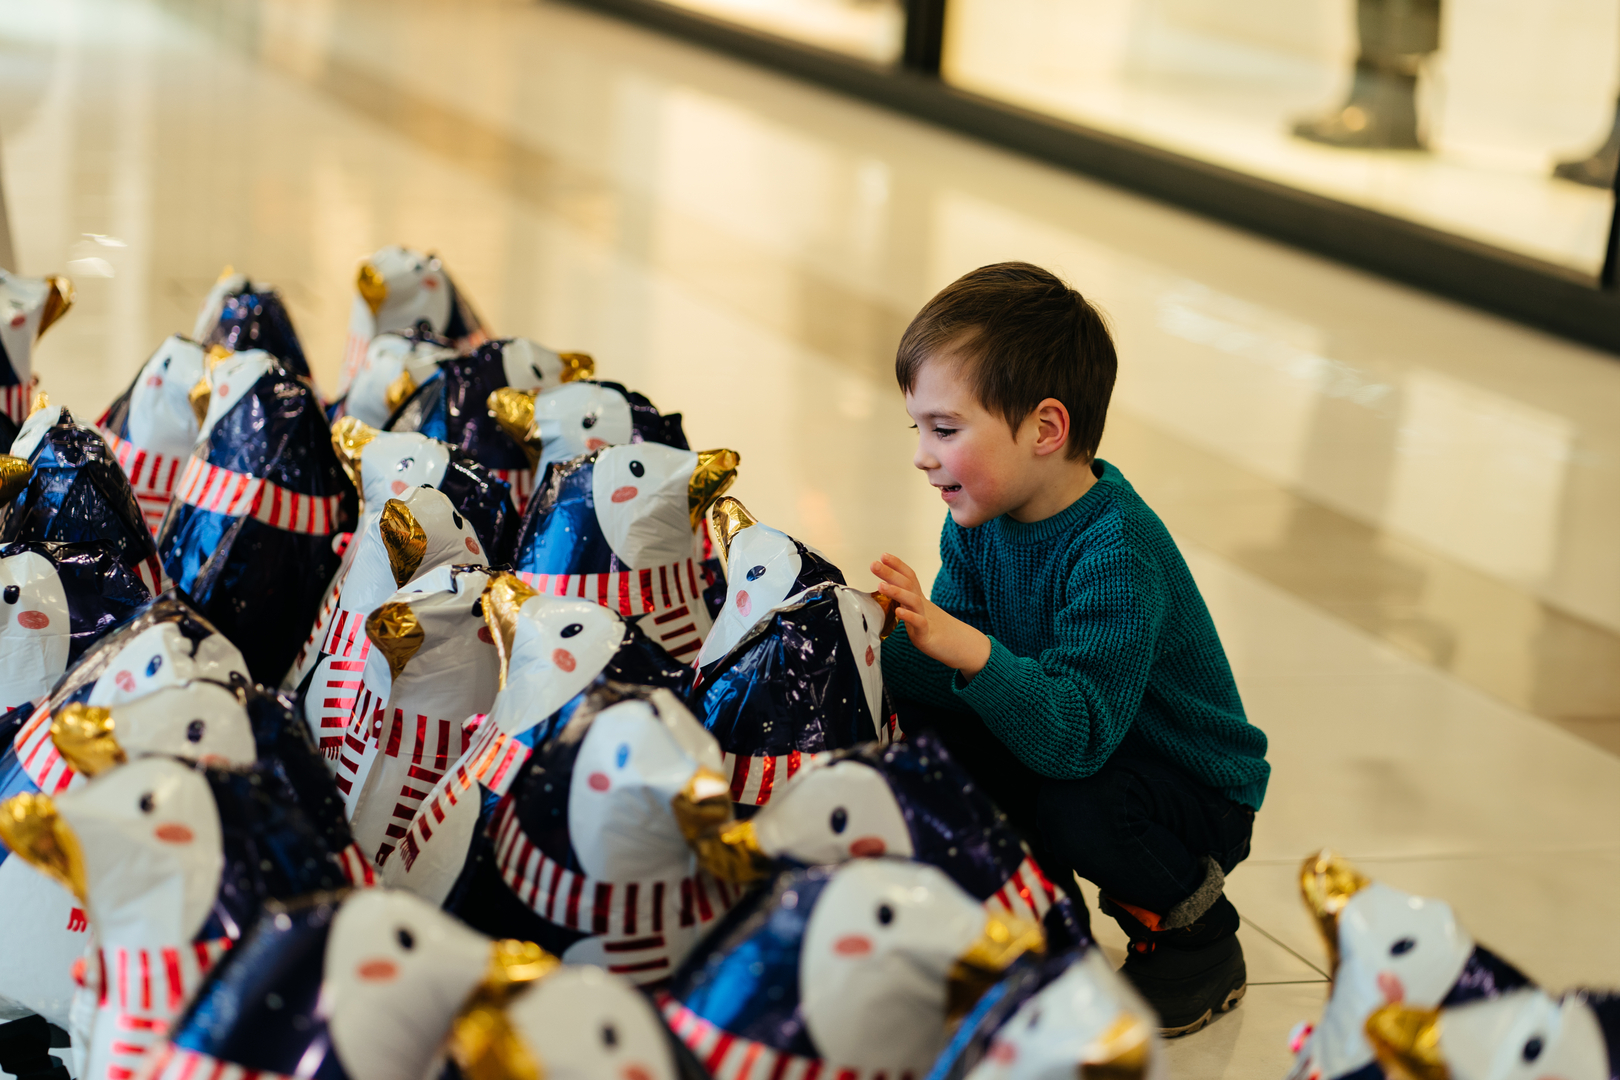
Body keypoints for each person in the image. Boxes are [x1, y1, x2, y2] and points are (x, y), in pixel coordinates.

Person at [871, 262, 1270, 1038]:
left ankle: (1197, 936)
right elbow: (952, 673)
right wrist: (873, 636)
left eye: (945, 430)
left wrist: (968, 650)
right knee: (932, 727)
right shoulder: (981, 521)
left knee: (1075, 803)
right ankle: (1030, 911)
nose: (923, 453)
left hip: (1184, 787)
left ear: (1046, 430)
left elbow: (1077, 736)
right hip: (1076, 741)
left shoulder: (1114, 549)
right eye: (917, 427)